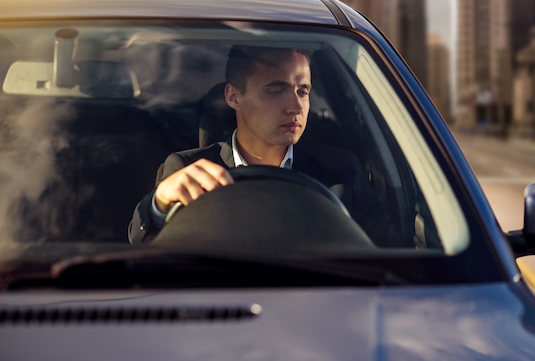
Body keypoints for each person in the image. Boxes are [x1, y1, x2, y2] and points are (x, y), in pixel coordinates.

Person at [128, 45, 399, 246]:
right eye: (276, 90)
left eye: (302, 91)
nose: (296, 107)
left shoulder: (341, 171)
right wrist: (159, 203)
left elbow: (387, 252)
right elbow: (145, 256)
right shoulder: (186, 170)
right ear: (233, 96)